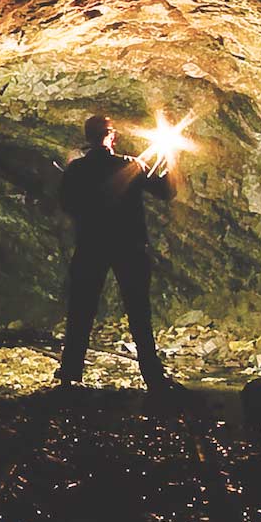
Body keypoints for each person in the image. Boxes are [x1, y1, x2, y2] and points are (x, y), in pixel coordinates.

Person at [57, 114, 179, 393]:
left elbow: (66, 205)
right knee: (139, 312)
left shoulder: (76, 170)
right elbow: (167, 191)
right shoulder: (131, 165)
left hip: (91, 246)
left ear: (88, 137)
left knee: (80, 310)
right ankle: (153, 377)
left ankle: (70, 374)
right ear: (111, 136)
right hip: (129, 247)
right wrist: (171, 158)